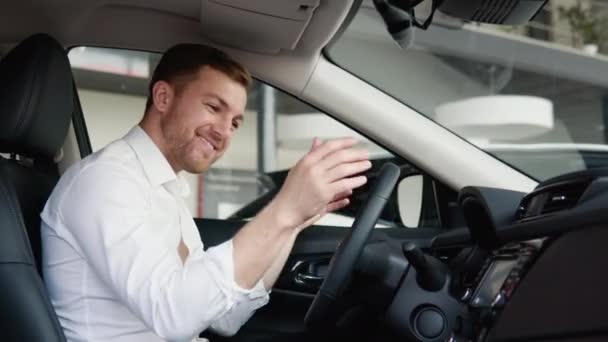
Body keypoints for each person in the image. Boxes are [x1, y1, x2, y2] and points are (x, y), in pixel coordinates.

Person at [40, 43, 371, 342]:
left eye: (236, 122)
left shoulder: (164, 191)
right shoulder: (106, 181)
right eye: (214, 107)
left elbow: (224, 318)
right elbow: (174, 316)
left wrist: (293, 224)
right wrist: (283, 207)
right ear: (163, 98)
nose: (225, 132)